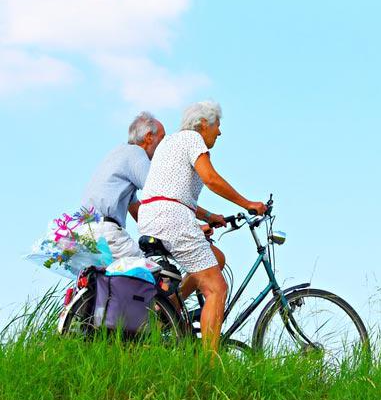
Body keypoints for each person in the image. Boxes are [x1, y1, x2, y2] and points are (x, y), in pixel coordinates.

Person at [138, 101, 266, 352]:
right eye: (218, 125)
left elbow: (171, 191)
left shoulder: (170, 143)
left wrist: (209, 216)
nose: (219, 132)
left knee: (215, 258)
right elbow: (211, 179)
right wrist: (248, 203)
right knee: (216, 288)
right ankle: (208, 366)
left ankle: (170, 309)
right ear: (204, 124)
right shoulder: (193, 139)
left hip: (153, 216)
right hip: (172, 218)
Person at [80, 112, 165, 259]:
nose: (164, 146)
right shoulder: (136, 153)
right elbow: (162, 192)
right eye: (162, 138)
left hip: (86, 232)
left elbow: (137, 211)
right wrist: (193, 226)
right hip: (106, 233)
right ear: (149, 136)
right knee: (154, 274)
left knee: (108, 280)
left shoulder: (118, 154)